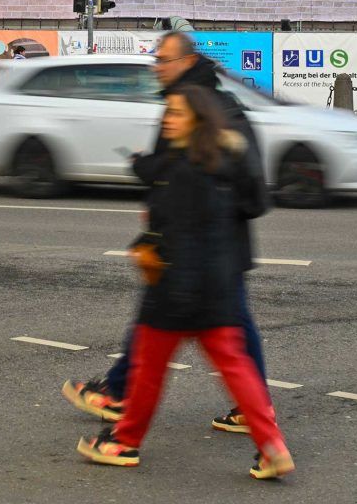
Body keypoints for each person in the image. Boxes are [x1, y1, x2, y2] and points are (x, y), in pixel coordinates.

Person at [76, 89, 293, 479]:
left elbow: (176, 233)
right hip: (220, 286)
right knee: (237, 370)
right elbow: (251, 205)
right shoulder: (224, 160)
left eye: (176, 113)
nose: (167, 120)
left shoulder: (183, 170)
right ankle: (272, 447)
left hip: (176, 290)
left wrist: (148, 252)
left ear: (197, 119)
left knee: (146, 370)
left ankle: (123, 442)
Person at [64, 32, 272, 433]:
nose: (156, 67)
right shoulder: (196, 101)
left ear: (187, 63)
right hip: (208, 241)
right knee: (227, 326)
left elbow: (209, 171)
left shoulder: (200, 106)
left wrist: (157, 178)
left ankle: (119, 395)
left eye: (163, 60)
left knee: (161, 322)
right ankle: (255, 415)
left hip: (203, 242)